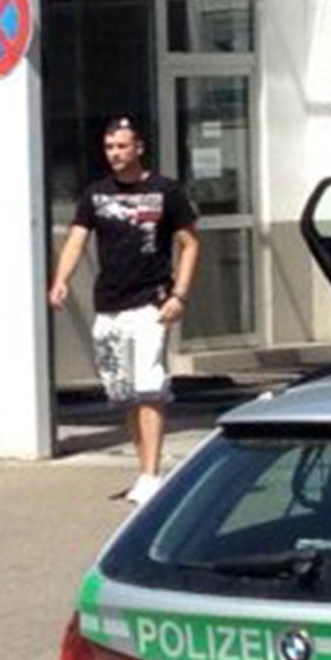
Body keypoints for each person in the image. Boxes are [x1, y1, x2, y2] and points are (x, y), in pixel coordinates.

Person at [48, 116, 200, 505]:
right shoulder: (96, 195)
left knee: (150, 389)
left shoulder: (165, 191)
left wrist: (179, 295)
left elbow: (190, 244)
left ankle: (151, 475)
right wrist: (61, 279)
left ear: (138, 148)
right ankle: (143, 469)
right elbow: (77, 241)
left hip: (151, 304)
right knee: (126, 393)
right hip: (109, 307)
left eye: (122, 146)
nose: (115, 154)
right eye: (110, 147)